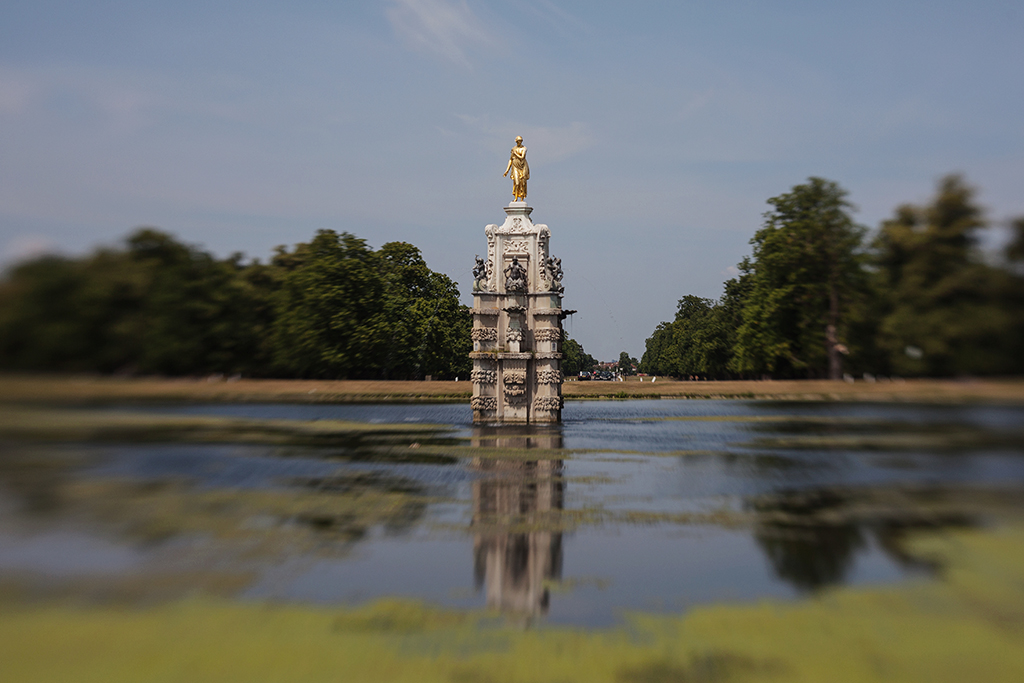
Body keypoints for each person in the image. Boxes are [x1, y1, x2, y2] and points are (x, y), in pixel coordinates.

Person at [503, 136, 529, 201]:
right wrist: (507, 170)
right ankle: (516, 198)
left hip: (522, 166)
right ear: (516, 141)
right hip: (515, 166)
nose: (519, 142)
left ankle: (522, 198)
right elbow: (510, 160)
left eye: (520, 141)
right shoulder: (513, 149)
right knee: (517, 183)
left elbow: (522, 157)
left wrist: (515, 154)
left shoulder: (524, 148)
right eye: (518, 141)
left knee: (522, 183)